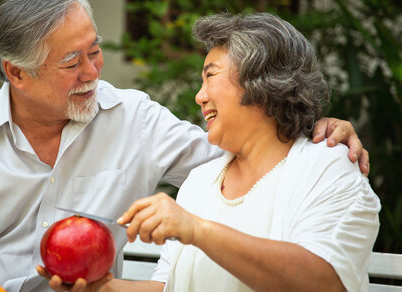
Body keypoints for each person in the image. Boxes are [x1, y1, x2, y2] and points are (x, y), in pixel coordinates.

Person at [0, 1, 369, 291]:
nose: (93, 72)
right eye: (73, 61)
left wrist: (307, 122)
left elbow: (251, 151)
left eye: (96, 51)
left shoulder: (137, 121)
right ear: (16, 73)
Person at [102, 12, 379, 292]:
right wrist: (103, 289)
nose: (200, 96)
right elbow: (167, 287)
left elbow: (325, 282)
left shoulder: (328, 168)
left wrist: (197, 230)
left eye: (210, 75)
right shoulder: (200, 180)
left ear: (261, 81)